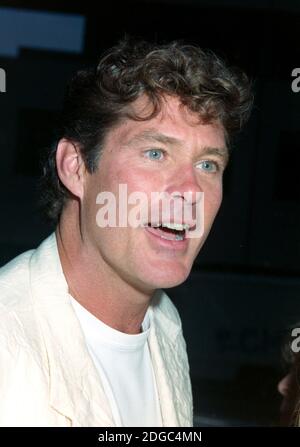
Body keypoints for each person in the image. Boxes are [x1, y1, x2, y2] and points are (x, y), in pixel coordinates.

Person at [0, 38, 252, 427]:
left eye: (207, 165)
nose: (190, 192)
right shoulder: (9, 342)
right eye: (155, 153)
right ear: (76, 168)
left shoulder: (165, 325)